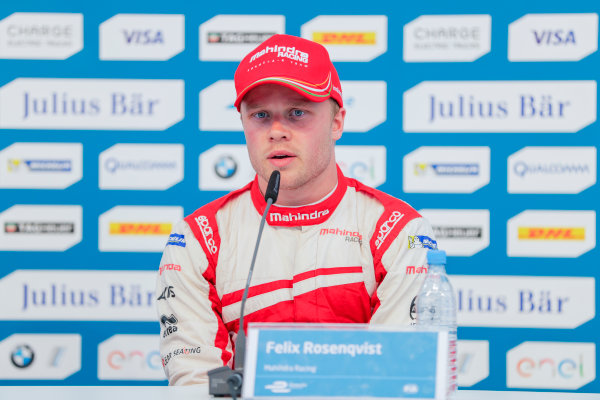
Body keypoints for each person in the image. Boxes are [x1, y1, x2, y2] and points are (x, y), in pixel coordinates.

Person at [156, 34, 436, 385]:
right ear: (242, 122)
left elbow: (394, 377)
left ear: (336, 122)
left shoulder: (396, 230)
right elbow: (199, 383)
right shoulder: (198, 238)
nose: (276, 131)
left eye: (297, 113)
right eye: (260, 115)